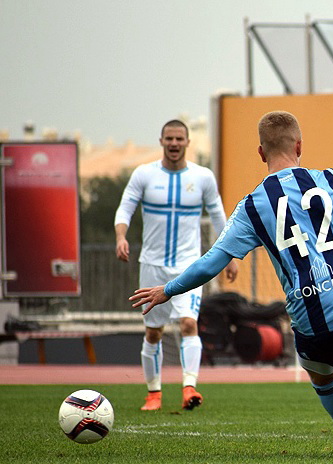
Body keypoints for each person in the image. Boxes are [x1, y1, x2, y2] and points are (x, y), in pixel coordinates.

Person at [130, 111, 333, 458]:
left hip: (311, 318)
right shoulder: (330, 181)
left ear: (261, 153)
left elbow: (210, 263)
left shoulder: (251, 207)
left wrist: (167, 290)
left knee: (326, 382)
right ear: (299, 146)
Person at [115, 119, 239, 411]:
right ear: (161, 141)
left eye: (179, 139)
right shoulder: (144, 174)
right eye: (169, 138)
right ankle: (153, 394)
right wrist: (121, 237)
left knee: (188, 323)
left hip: (188, 266)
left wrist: (231, 255)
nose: (174, 143)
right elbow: (125, 207)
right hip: (152, 265)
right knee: (153, 332)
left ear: (187, 142)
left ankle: (189, 388)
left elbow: (219, 217)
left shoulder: (203, 177)